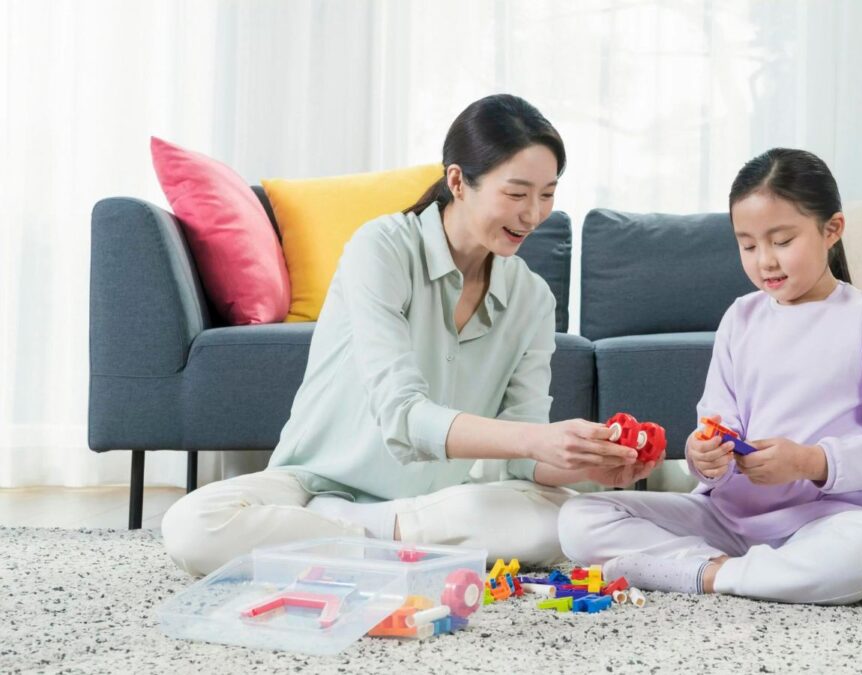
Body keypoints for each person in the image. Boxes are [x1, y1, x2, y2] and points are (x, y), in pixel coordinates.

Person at [162, 94, 656, 577]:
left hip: (437, 500)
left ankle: (358, 540)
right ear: (459, 182)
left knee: (566, 520)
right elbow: (403, 416)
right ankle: (399, 542)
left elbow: (519, 461)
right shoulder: (381, 248)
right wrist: (535, 439)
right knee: (194, 526)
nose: (533, 214)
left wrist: (588, 465)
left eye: (547, 194)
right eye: (517, 193)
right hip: (320, 487)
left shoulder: (530, 298)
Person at [557, 148, 862, 604]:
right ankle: (748, 572)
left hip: (832, 518)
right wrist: (702, 454)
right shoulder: (741, 317)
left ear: (832, 229)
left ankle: (707, 575)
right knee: (579, 518)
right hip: (728, 518)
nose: (765, 261)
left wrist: (809, 461)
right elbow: (716, 420)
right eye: (748, 245)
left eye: (782, 241)